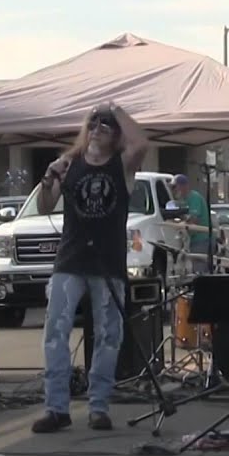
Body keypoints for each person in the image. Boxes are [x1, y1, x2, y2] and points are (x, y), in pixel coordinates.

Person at [33, 102, 149, 433]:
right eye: (94, 122)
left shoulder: (122, 164)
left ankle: (98, 406)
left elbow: (141, 144)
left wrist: (116, 109)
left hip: (108, 262)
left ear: (116, 135)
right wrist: (49, 176)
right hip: (71, 259)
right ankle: (56, 408)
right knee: (55, 332)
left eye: (106, 125)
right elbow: (44, 206)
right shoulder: (71, 164)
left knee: (109, 335)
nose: (98, 127)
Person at [172, 174, 212, 272]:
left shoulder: (194, 198)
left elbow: (194, 219)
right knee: (193, 267)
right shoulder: (183, 200)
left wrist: (182, 222)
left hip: (201, 239)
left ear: (183, 186)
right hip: (192, 240)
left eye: (174, 187)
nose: (174, 190)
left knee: (199, 268)